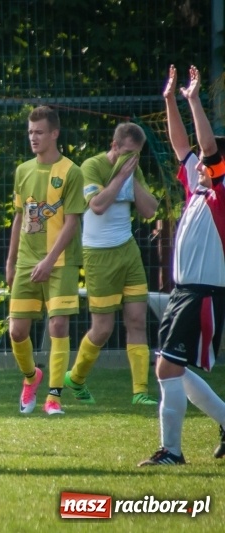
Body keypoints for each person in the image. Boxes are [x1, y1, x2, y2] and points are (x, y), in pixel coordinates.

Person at [139, 65, 225, 466]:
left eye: (208, 163)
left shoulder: (221, 191)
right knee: (170, 366)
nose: (200, 166)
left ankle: (171, 451)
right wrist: (170, 100)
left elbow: (206, 147)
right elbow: (181, 147)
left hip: (203, 291)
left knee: (168, 367)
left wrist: (193, 101)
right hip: (183, 290)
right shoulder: (198, 188)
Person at [63, 124, 159, 406]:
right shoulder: (92, 166)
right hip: (99, 255)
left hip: (128, 251)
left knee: (137, 320)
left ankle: (140, 391)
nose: (132, 158)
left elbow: (150, 210)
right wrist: (120, 176)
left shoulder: (133, 169)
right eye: (127, 152)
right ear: (114, 146)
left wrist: (133, 177)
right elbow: (97, 205)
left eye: (137, 154)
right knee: (103, 328)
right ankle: (76, 377)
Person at [5, 106, 85, 416]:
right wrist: (11, 261)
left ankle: (54, 397)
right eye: (30, 132)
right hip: (27, 261)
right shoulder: (23, 171)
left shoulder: (71, 172)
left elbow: (72, 221)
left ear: (54, 133)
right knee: (17, 331)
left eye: (39, 132)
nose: (33, 137)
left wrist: (50, 261)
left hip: (60, 261)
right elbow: (19, 217)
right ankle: (31, 377)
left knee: (59, 324)